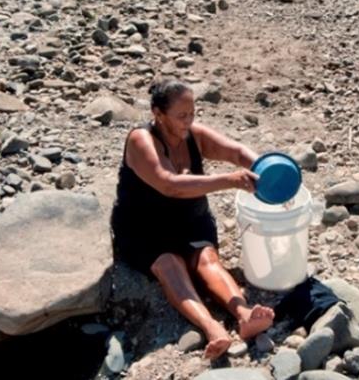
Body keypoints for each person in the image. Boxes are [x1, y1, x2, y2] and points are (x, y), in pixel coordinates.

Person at [111, 79, 274, 359]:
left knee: (207, 260)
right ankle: (211, 327)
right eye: (181, 116)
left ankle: (244, 314)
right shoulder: (141, 140)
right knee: (170, 264)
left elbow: (236, 152)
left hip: (190, 221)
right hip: (144, 228)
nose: (188, 121)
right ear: (158, 114)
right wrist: (230, 180)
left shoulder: (194, 135)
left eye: (192, 114)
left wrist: (266, 169)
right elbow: (168, 184)